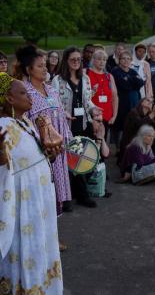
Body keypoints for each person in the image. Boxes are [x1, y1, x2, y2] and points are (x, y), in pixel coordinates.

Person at [0, 73, 64, 295]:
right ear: (9, 99)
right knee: (25, 252)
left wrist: (51, 154)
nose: (29, 97)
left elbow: (35, 157)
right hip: (22, 208)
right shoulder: (1, 127)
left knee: (40, 249)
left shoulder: (24, 121)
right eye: (23, 93)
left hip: (38, 204)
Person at [15, 45, 72, 214]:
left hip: (58, 150)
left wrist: (68, 140)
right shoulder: (25, 93)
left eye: (45, 64)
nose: (45, 68)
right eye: (40, 65)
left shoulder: (52, 90)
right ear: (28, 69)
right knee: (42, 198)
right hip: (40, 154)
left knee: (56, 200)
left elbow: (61, 118)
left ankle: (52, 233)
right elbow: (23, 125)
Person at [52, 47, 98, 208]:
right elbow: (54, 103)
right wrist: (63, 112)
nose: (76, 62)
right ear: (66, 61)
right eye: (73, 59)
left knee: (85, 160)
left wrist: (94, 109)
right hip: (67, 125)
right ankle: (76, 196)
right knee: (70, 162)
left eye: (79, 59)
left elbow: (88, 100)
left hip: (84, 123)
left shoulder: (85, 78)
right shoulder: (58, 80)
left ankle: (79, 194)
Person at [111, 51, 144, 146]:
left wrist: (129, 79)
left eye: (128, 59)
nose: (126, 61)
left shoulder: (132, 71)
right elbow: (124, 85)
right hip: (121, 103)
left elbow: (141, 83)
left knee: (132, 124)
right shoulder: (115, 71)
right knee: (120, 125)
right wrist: (133, 81)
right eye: (123, 58)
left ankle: (130, 146)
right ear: (119, 60)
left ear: (131, 60)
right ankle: (118, 147)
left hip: (133, 103)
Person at [87, 49, 118, 140]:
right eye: (99, 59)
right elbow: (83, 96)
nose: (102, 62)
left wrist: (114, 115)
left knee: (102, 142)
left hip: (106, 115)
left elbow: (115, 97)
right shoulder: (86, 74)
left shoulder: (109, 76)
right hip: (92, 116)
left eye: (104, 59)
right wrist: (92, 92)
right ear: (93, 60)